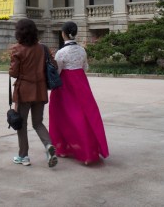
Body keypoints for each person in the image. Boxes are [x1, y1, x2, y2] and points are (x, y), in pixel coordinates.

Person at [48, 21, 109, 165]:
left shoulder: (61, 52)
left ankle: (62, 148)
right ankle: (88, 150)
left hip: (65, 87)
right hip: (81, 84)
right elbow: (85, 67)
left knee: (63, 116)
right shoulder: (82, 50)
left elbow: (57, 71)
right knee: (85, 115)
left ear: (63, 34)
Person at [8, 18, 58, 168]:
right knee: (38, 123)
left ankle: (23, 156)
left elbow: (13, 73)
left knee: (21, 124)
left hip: (24, 91)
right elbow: (53, 65)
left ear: (19, 32)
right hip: (40, 90)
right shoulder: (42, 48)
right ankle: (49, 146)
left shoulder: (17, 49)